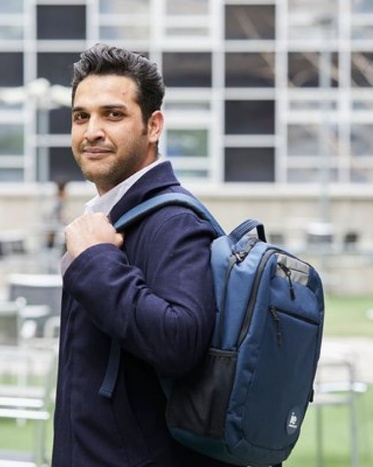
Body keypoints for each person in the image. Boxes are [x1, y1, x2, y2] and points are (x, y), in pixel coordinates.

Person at [52, 43, 233, 467]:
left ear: (153, 127)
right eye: (81, 116)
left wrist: (97, 260)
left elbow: (179, 339)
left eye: (113, 114)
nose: (92, 130)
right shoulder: (118, 215)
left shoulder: (173, 222)